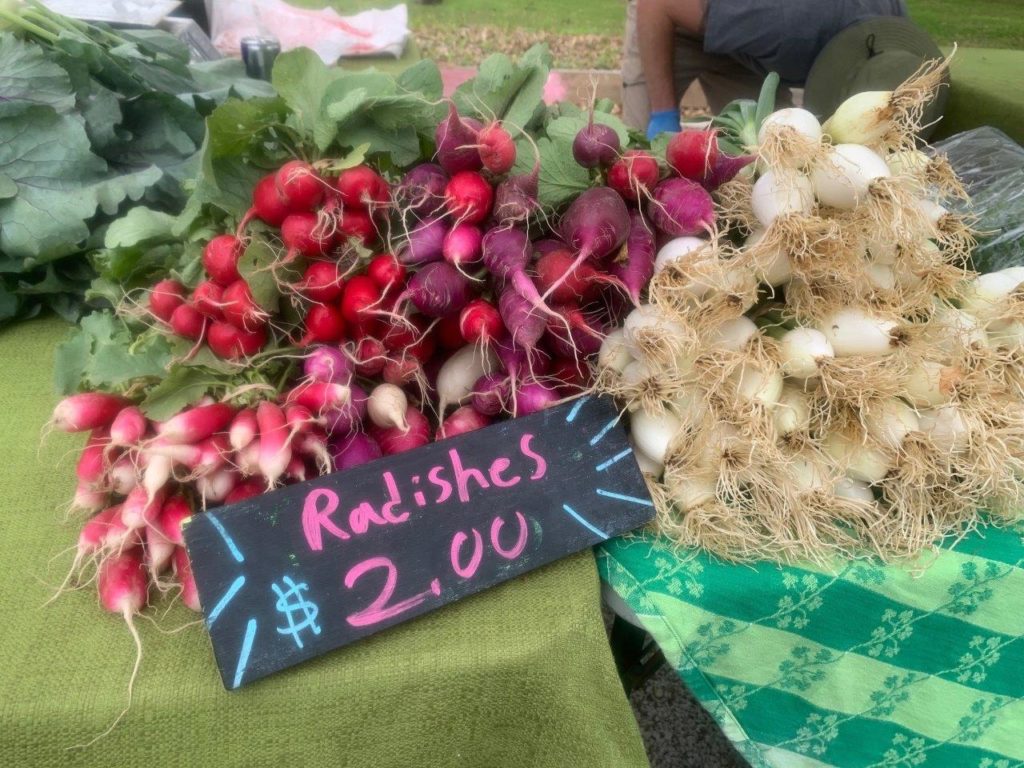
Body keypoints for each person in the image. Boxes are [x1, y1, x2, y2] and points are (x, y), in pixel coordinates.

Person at [622, 0, 908, 138]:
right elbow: (655, 6)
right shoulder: (783, 25)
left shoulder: (890, 17)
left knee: (772, 150)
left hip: (747, 39)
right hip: (669, 22)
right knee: (635, 158)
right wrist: (663, 114)